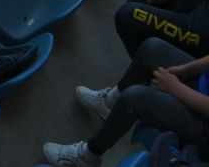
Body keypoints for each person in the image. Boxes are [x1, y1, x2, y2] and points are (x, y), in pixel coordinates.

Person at [41, 37, 209, 166]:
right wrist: (186, 70)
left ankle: (87, 156)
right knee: (152, 48)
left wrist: (175, 88)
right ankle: (110, 103)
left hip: (202, 123)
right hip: (202, 85)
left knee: (135, 98)